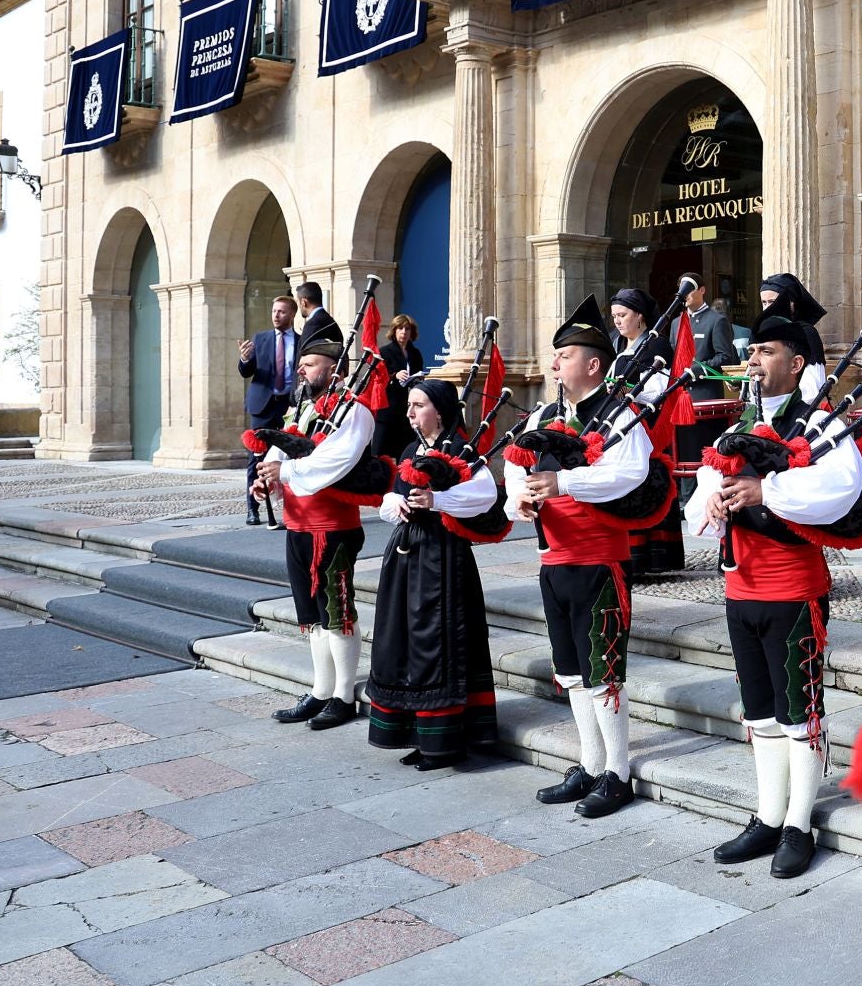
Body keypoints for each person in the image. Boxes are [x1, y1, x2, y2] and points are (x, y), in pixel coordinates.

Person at [684, 294, 862, 879]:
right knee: (760, 712)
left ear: (795, 361)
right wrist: (708, 499)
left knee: (799, 711)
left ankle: (799, 823)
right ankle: (767, 816)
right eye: (752, 350)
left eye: (766, 351)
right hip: (741, 591)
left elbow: (844, 487)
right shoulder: (740, 423)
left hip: (792, 591)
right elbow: (696, 505)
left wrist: (768, 492)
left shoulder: (819, 422)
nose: (754, 360)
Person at [520, 295, 653, 820]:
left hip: (599, 560)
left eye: (564, 356)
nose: (554, 365)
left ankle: (617, 772)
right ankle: (590, 761)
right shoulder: (545, 414)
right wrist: (521, 497)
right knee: (572, 671)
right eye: (555, 357)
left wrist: (563, 481)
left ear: (593, 364)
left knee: (603, 670)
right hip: (553, 559)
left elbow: (629, 472)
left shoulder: (619, 414)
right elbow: (518, 469)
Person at [366, 378, 501, 771]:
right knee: (405, 643)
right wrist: (398, 507)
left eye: (418, 405)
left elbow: (485, 496)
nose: (409, 412)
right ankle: (419, 735)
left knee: (438, 644)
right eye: (409, 405)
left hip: (444, 558)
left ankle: (447, 742)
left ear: (439, 410)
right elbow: (389, 497)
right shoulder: (411, 449)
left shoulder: (461, 450)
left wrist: (437, 500)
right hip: (406, 558)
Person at [254, 324, 372, 732]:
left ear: (334, 369)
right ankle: (321, 691)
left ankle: (343, 697)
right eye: (300, 364)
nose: (301, 371)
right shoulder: (301, 410)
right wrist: (266, 478)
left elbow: (335, 463)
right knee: (314, 616)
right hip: (298, 524)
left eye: (310, 364)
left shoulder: (354, 411)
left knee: (336, 612)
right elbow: (281, 448)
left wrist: (285, 470)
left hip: (332, 526)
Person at [611, 288, 683, 579]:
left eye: (623, 315)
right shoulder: (619, 347)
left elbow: (660, 390)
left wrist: (627, 392)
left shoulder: (657, 346)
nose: (617, 321)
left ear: (639, 315)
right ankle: (629, 553)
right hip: (621, 424)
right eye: (614, 316)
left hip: (647, 426)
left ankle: (652, 555)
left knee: (646, 481)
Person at [238, 295, 299, 525]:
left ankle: (288, 509)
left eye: (282, 311)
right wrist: (244, 359)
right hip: (263, 406)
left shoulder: (301, 341)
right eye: (274, 311)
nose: (276, 315)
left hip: (289, 407)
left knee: (290, 455)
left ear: (292, 314)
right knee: (256, 457)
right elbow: (247, 371)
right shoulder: (261, 339)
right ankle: (252, 508)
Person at [754, 273, 828, 397]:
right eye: (764, 303)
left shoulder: (806, 333)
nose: (767, 309)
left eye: (772, 302)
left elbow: (813, 388)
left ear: (791, 303)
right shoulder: (764, 334)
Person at [372, 314, 424, 459]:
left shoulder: (415, 353)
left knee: (406, 453)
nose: (404, 332)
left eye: (407, 329)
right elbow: (377, 379)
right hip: (388, 409)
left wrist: (418, 378)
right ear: (394, 331)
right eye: (400, 328)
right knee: (379, 452)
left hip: (406, 409)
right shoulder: (384, 352)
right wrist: (394, 376)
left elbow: (418, 374)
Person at [683, 273, 736, 398]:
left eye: (689, 289)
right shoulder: (676, 323)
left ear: (702, 290)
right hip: (682, 393)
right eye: (681, 289)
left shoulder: (716, 320)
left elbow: (724, 357)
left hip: (706, 393)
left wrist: (698, 370)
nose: (684, 294)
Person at [294, 280, 334, 348]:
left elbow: (304, 353)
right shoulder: (330, 321)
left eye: (298, 301)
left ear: (304, 302)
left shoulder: (313, 324)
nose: (298, 306)